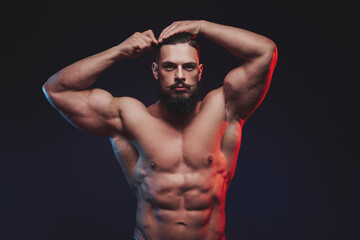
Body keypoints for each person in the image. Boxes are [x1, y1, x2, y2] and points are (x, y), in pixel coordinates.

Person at [43, 20, 277, 240]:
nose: (179, 76)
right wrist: (119, 51)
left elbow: (265, 52)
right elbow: (57, 90)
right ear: (156, 70)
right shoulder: (131, 117)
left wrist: (203, 27)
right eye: (169, 67)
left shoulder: (223, 108)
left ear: (200, 71)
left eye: (188, 67)